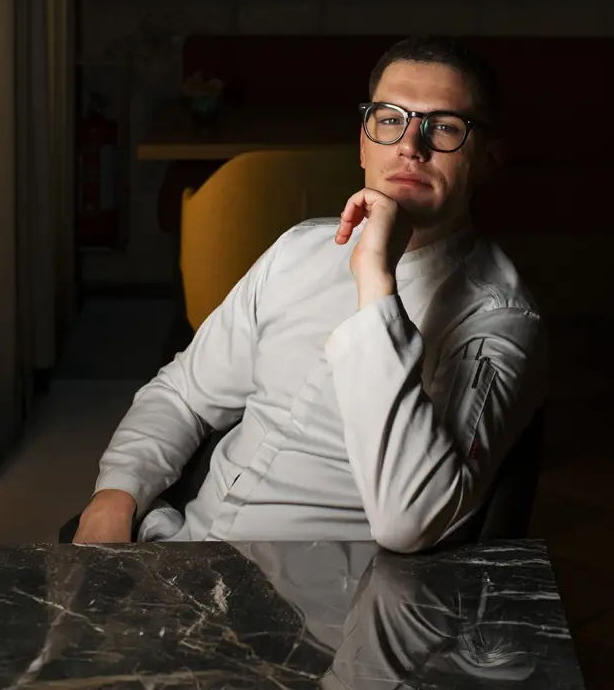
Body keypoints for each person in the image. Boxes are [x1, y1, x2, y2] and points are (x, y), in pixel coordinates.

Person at [73, 35, 547, 550]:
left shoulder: (499, 317)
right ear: (364, 144)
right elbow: (183, 395)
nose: (410, 146)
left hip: (321, 590)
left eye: (445, 127)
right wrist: (115, 495)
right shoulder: (299, 249)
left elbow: (411, 522)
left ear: (488, 160)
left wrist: (376, 282)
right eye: (390, 119)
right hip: (182, 553)